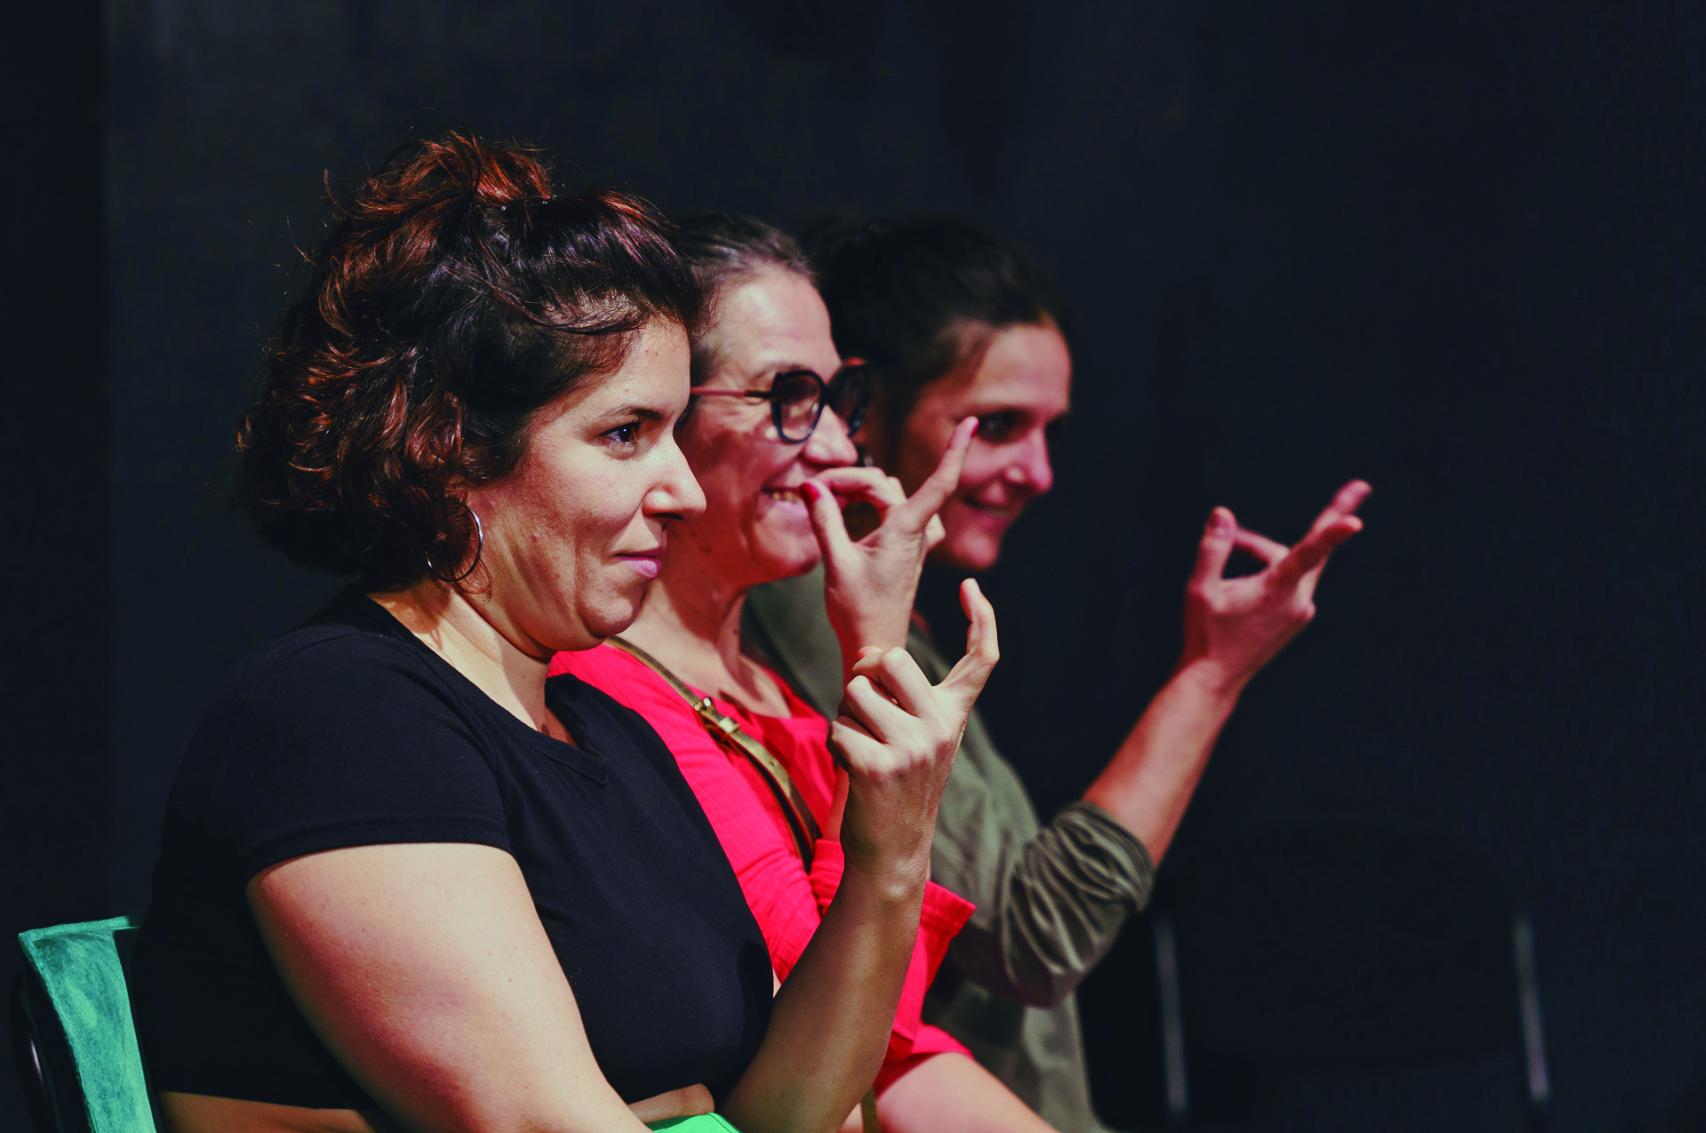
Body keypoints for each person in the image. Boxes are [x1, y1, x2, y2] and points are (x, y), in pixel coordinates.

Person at [130, 138, 996, 1133]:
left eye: (674, 431)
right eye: (625, 434)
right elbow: (538, 1118)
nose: (679, 490)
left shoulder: (605, 729)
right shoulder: (341, 714)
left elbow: (799, 1115)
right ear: (446, 445)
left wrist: (890, 850)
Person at [741, 215, 1370, 1133]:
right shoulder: (803, 604)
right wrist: (1210, 676)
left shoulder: (890, 617)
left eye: (1049, 431)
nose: (1037, 471)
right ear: (860, 406)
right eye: (997, 425)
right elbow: (1037, 933)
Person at [552, 214, 1057, 1132]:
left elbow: (892, 1039)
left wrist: (875, 643)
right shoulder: (601, 689)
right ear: (659, 411)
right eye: (786, 395)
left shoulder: (771, 692)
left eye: (836, 399)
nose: (832, 446)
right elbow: (827, 1042)